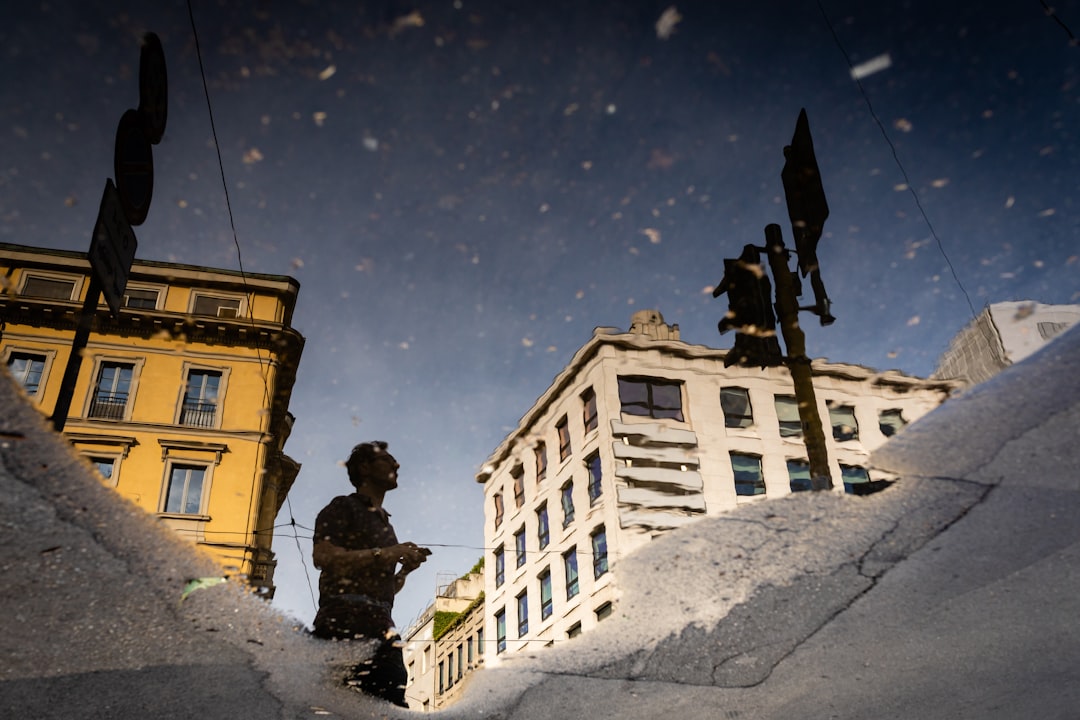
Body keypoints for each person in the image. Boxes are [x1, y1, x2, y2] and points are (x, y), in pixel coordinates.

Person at [312, 441, 431, 707]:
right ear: (365, 468)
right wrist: (387, 553)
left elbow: (384, 588)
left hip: (381, 628)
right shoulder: (343, 507)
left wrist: (406, 571)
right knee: (336, 707)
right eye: (387, 460)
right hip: (343, 626)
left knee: (392, 706)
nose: (396, 465)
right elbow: (323, 557)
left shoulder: (386, 524)